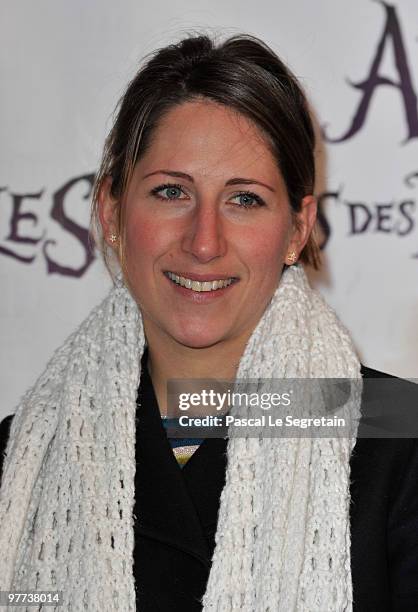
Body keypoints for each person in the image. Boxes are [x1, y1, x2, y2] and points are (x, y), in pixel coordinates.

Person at [0, 32, 417, 612]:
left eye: (244, 199)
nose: (204, 242)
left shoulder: (398, 435)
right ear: (111, 211)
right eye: (172, 191)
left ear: (297, 229)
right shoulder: (22, 458)